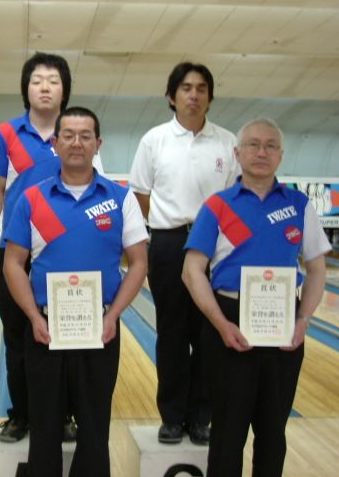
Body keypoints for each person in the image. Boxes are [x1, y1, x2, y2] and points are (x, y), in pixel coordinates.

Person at [3, 107, 148, 476]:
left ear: (98, 143)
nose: (77, 143)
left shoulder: (121, 198)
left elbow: (139, 263)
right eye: (68, 135)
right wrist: (33, 317)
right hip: (45, 330)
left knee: (95, 430)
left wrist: (113, 316)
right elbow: (12, 264)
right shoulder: (32, 199)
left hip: (100, 330)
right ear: (55, 143)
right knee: (44, 430)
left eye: (86, 136)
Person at [182, 118, 330, 476]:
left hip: (283, 322)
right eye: (253, 144)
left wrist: (303, 319)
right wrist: (221, 324)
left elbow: (317, 269)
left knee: (273, 432)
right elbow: (192, 271)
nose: (261, 152)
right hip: (228, 320)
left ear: (280, 155)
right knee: (227, 433)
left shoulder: (299, 205)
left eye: (270, 146)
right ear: (237, 153)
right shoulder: (217, 206)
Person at [0, 52, 103, 442]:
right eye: (37, 80)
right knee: (17, 338)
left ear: (65, 89)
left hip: (64, 255)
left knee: (64, 338)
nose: (45, 87)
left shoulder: (76, 133)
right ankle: (21, 415)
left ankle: (62, 415)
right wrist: (21, 238)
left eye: (54, 80)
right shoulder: (6, 134)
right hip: (16, 254)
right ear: (26, 88)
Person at [128, 61, 239, 445]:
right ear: (171, 96)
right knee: (172, 333)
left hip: (215, 246)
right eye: (186, 88)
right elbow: (141, 196)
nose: (194, 95)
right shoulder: (154, 140)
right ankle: (173, 417)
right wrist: (164, 231)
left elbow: (234, 200)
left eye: (201, 88)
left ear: (210, 97)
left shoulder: (227, 142)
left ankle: (201, 417)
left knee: (209, 332)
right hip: (169, 243)